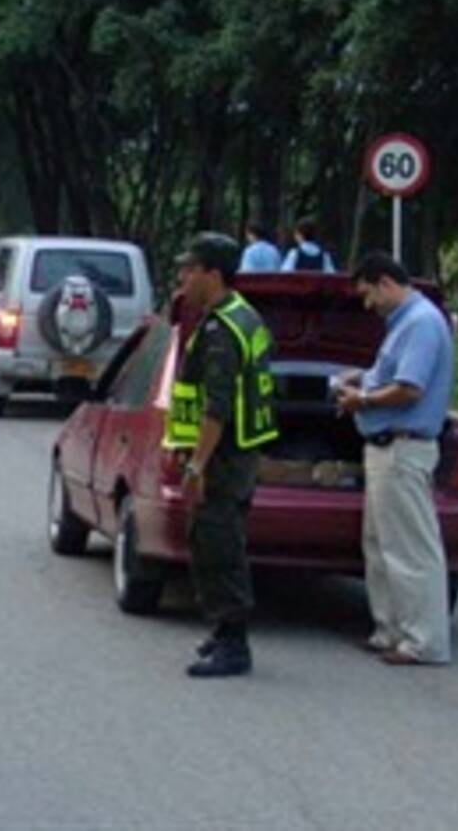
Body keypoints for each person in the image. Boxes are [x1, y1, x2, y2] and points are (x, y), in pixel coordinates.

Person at [165, 232, 279, 678]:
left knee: (219, 545)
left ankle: (234, 643)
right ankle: (221, 630)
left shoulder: (222, 331)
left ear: (213, 274)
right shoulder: (242, 316)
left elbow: (218, 406)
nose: (183, 278)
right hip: (237, 453)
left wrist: (196, 465)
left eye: (190, 269)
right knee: (213, 540)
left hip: (223, 458)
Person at [334, 252, 453, 666]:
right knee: (381, 544)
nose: (368, 305)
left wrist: (362, 399)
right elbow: (391, 374)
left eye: (369, 295)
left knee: (409, 549)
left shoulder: (420, 323)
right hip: (386, 448)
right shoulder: (404, 324)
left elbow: (409, 388)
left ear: (385, 282)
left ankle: (423, 641)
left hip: (403, 447)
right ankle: (390, 629)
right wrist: (362, 378)